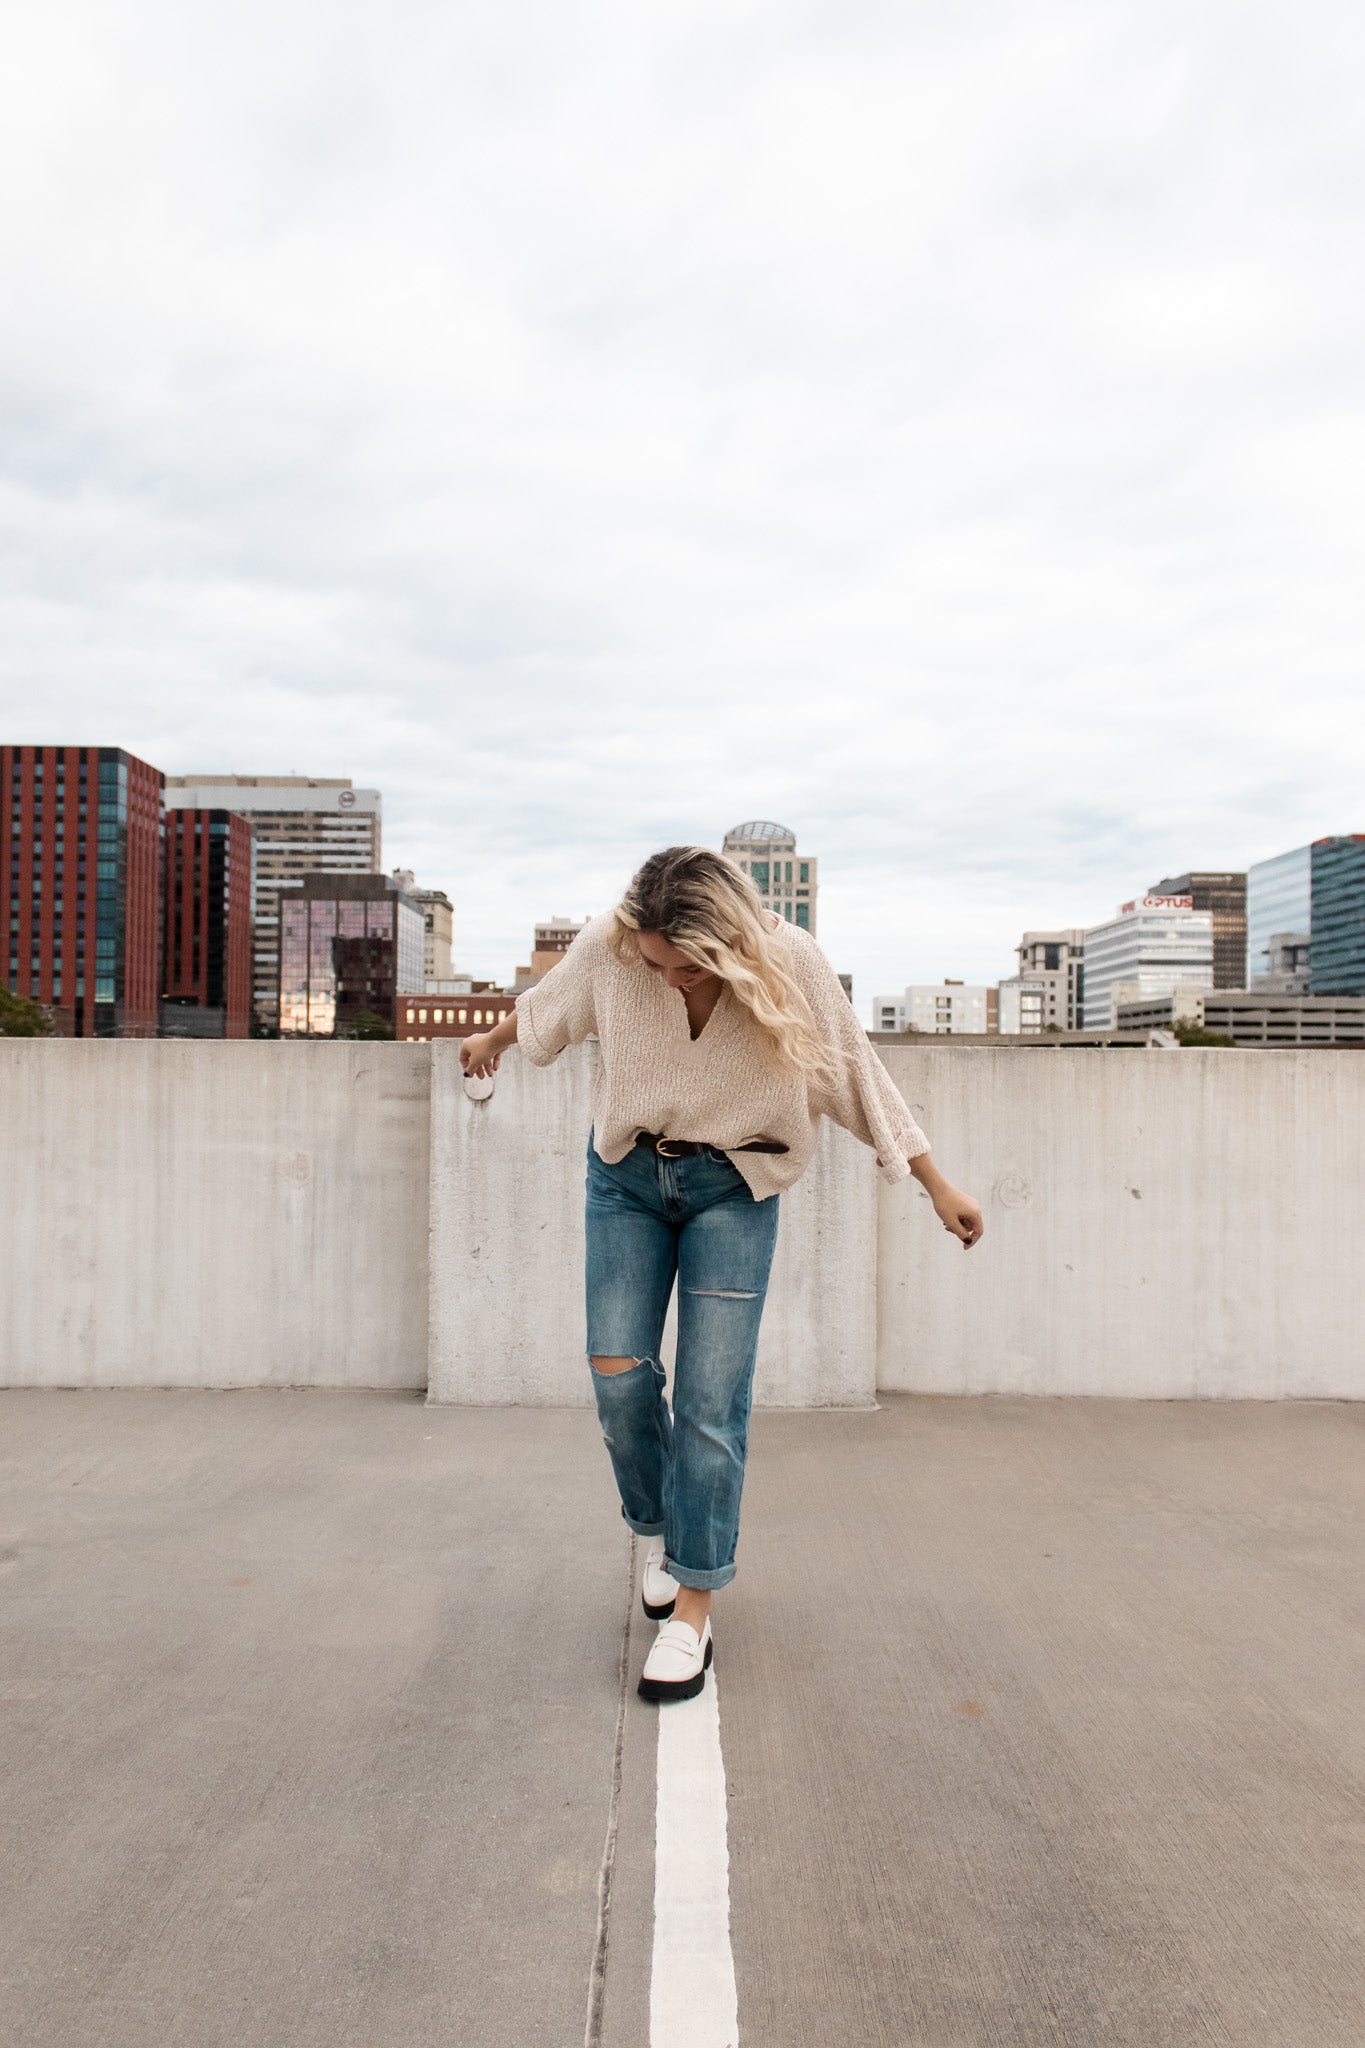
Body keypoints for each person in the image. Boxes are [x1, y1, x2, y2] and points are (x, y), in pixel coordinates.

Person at [459, 846, 983, 1704]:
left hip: (735, 1189)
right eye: (653, 960)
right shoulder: (615, 945)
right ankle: (667, 1529)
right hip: (627, 1180)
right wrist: (491, 1036)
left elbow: (857, 1071)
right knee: (618, 1375)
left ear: (725, 943)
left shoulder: (792, 963)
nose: (663, 977)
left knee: (709, 1397)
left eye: (682, 963)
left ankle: (692, 1607)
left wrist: (933, 1182)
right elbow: (550, 1006)